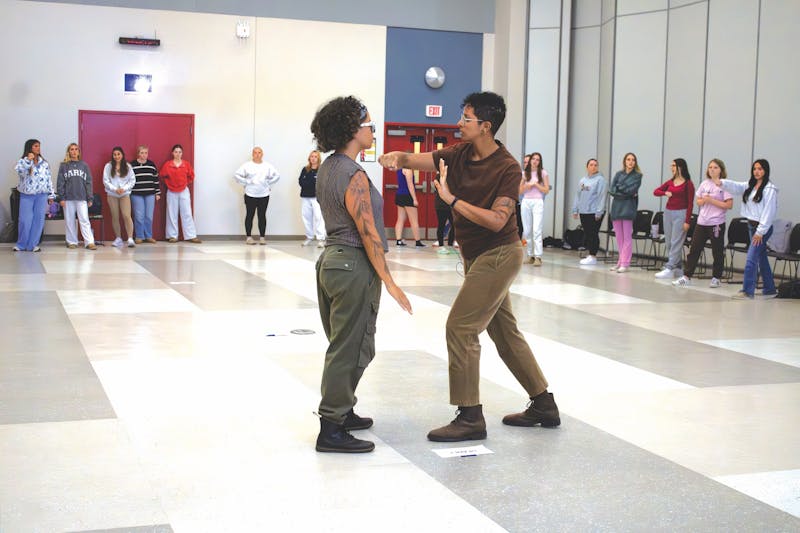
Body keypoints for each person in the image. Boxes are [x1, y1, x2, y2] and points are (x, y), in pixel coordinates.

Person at [379, 91, 559, 443]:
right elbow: (420, 161)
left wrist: (452, 200)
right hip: (477, 256)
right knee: (504, 333)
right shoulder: (459, 153)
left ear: (486, 126)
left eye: (465, 119)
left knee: (461, 328)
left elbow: (497, 220)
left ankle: (470, 416)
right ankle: (543, 404)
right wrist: (396, 157)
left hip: (500, 254)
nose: (458, 123)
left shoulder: (507, 167)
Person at [311, 96, 412, 453]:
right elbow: (368, 231)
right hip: (353, 263)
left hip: (332, 261)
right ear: (353, 130)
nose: (373, 130)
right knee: (351, 347)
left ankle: (344, 409)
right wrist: (390, 280)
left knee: (344, 342)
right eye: (369, 125)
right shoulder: (352, 174)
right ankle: (332, 427)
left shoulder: (328, 166)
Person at [720, 159, 778, 299]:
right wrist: (722, 182)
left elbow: (768, 212)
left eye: (760, 169)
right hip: (752, 226)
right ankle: (770, 289)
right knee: (761, 258)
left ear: (766, 171)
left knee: (751, 259)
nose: (757, 172)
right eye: (755, 169)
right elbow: (736, 186)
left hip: (761, 229)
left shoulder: (769, 189)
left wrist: (760, 232)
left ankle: (747, 291)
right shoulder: (750, 185)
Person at [673, 159, 733, 288]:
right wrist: (704, 200)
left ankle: (716, 277)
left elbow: (729, 205)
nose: (712, 169)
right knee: (694, 249)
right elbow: (698, 201)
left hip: (716, 223)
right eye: (710, 167)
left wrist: (711, 200)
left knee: (717, 251)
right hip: (702, 222)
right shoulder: (704, 183)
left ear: (721, 170)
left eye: (715, 167)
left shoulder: (725, 185)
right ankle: (687, 276)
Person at [653, 158, 695, 279]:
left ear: (680, 167)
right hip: (668, 213)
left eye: (673, 165)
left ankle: (670, 266)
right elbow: (656, 191)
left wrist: (687, 221)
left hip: (681, 214)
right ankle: (677, 266)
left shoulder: (688, 184)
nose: (671, 168)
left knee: (676, 241)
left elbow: (690, 204)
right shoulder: (670, 182)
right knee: (669, 241)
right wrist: (664, 193)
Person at [13, 139, 54, 252]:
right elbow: (19, 171)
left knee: (38, 220)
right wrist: (28, 160)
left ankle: (32, 245)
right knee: (24, 220)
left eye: (39, 146)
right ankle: (21, 244)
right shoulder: (23, 161)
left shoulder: (44, 163)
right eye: (36, 146)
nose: (38, 148)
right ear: (30, 148)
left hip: (42, 195)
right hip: (27, 195)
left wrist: (51, 195)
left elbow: (48, 179)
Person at [233, 146, 280, 245]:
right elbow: (236, 175)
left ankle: (262, 238)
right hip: (250, 194)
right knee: (250, 215)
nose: (257, 154)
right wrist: (246, 182)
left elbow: (277, 176)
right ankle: (249, 237)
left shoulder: (267, 166)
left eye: (259, 152)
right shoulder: (247, 165)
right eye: (255, 153)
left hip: (264, 195)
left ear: (262, 154)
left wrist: (268, 183)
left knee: (262, 216)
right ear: (252, 154)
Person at [56, 143, 96, 250]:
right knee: (70, 221)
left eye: (76, 149)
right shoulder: (64, 166)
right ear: (68, 152)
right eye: (71, 149)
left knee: (84, 220)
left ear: (79, 152)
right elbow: (60, 183)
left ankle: (89, 242)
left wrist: (90, 197)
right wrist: (61, 197)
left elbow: (88, 182)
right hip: (68, 198)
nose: (74, 151)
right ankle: (72, 241)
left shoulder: (84, 165)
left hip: (81, 197)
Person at [608, 153, 643, 273]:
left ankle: (625, 263)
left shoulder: (638, 176)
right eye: (628, 159)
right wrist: (623, 190)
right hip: (617, 207)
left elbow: (631, 190)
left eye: (633, 160)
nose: (631, 162)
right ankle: (620, 261)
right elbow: (612, 190)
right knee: (619, 237)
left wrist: (620, 188)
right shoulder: (618, 174)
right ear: (624, 161)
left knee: (627, 237)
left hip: (628, 207)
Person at [160, 144, 201, 243]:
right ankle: (172, 236)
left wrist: (185, 183)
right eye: (176, 152)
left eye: (180, 152)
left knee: (187, 212)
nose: (178, 154)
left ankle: (191, 235)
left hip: (183, 191)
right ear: (172, 153)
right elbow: (162, 175)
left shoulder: (186, 164)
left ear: (182, 153)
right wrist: (169, 184)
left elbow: (191, 176)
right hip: (171, 191)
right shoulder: (167, 164)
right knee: (171, 213)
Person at [571, 158, 606, 265]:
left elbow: (602, 196)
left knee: (593, 233)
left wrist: (599, 211)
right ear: (587, 167)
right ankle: (591, 254)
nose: (593, 167)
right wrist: (575, 209)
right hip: (583, 211)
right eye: (591, 165)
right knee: (587, 233)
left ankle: (593, 256)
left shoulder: (600, 180)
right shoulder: (582, 180)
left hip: (594, 212)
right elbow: (578, 195)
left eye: (596, 165)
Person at [519, 152, 550, 265]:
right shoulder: (524, 174)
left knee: (537, 229)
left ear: (539, 162)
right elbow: (519, 191)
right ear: (530, 160)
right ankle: (530, 255)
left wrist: (536, 185)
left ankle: (538, 256)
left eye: (538, 159)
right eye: (533, 159)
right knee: (527, 230)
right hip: (526, 201)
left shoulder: (543, 173)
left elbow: (546, 190)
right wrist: (527, 186)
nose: (535, 161)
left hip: (537, 201)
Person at [103, 146, 136, 248]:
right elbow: (105, 180)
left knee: (126, 215)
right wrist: (114, 189)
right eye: (115, 154)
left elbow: (132, 180)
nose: (116, 156)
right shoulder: (108, 166)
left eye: (118, 154)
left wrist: (124, 188)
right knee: (115, 216)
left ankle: (130, 238)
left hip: (124, 194)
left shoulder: (127, 166)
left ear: (122, 155)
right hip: (112, 194)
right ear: (112, 156)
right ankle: (118, 238)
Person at [130, 145, 160, 244]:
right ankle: (139, 236)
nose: (144, 155)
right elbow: (128, 179)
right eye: (142, 153)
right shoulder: (132, 165)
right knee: (139, 216)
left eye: (145, 153)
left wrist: (157, 193)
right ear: (138, 153)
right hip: (136, 194)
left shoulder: (151, 165)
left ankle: (148, 236)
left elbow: (156, 179)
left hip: (150, 194)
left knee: (149, 216)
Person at [298, 149, 326, 248]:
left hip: (317, 198)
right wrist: (311, 183)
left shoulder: (322, 169)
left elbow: (321, 183)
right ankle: (309, 237)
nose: (313, 158)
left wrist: (309, 183)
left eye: (315, 157)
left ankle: (321, 239)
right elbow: (301, 182)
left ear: (318, 158)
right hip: (305, 197)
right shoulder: (305, 169)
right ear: (309, 158)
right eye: (312, 156)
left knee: (319, 218)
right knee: (306, 217)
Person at [394, 167, 425, 247]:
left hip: (399, 195)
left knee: (400, 219)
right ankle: (418, 241)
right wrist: (414, 199)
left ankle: (398, 240)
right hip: (407, 196)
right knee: (414, 220)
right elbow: (410, 185)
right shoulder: (408, 170)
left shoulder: (399, 170)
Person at [433, 172, 455, 254]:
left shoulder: (453, 175)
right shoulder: (440, 176)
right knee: (441, 224)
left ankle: (450, 244)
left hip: (450, 204)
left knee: (454, 224)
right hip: (441, 204)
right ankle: (441, 245)